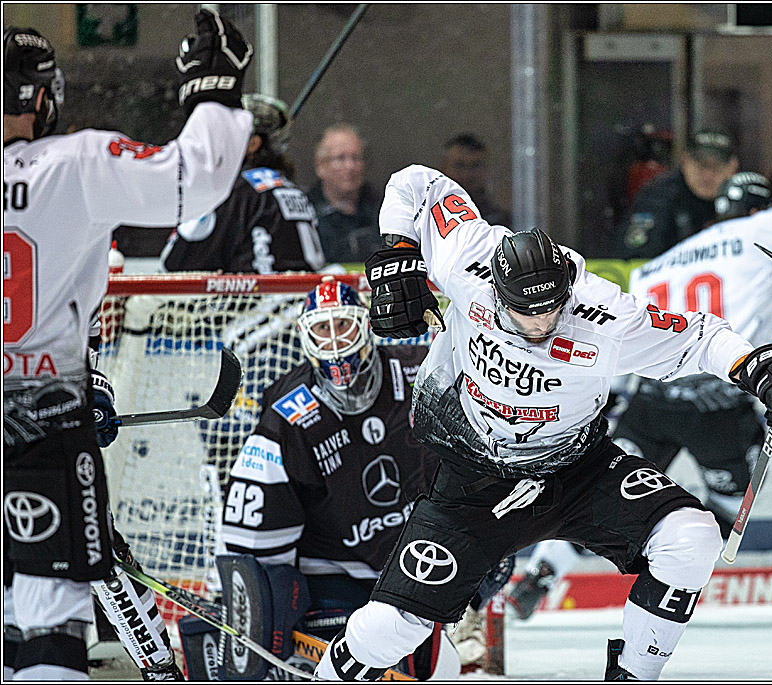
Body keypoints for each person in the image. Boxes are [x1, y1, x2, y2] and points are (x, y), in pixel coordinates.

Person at [311, 164, 772, 682]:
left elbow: (699, 338)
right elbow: (415, 182)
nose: (539, 326)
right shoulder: (469, 256)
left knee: (691, 538)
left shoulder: (603, 314)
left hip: (577, 470)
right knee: (389, 628)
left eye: (550, 311)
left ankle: (633, 675)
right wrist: (397, 250)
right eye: (524, 314)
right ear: (495, 289)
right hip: (472, 478)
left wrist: (761, 370)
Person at [507, 134, 772, 621]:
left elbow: (625, 337)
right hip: (719, 404)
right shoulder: (764, 232)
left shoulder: (660, 263)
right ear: (764, 209)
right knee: (726, 508)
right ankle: (675, 573)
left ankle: (541, 574)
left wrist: (613, 399)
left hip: (653, 400)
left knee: (602, 498)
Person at [2, 13, 253, 680]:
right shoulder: (72, 162)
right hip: (40, 417)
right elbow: (193, 177)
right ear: (40, 97)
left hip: (42, 406)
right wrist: (214, 89)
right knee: (50, 617)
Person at [217, 277, 510, 678]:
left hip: (416, 567)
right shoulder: (287, 411)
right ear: (305, 338)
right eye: (322, 329)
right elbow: (255, 538)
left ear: (365, 326)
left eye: (344, 326)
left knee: (440, 668)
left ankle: (458, 619)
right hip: (333, 575)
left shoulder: (419, 369)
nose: (334, 341)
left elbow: (479, 440)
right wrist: (266, 617)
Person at [160, 93, 326, 273]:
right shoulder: (289, 187)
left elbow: (175, 264)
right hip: (302, 298)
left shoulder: (233, 190)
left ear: (253, 143)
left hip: (257, 299)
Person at [613, 128, 740, 259]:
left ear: (732, 167)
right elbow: (634, 258)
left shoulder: (745, 199)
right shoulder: (658, 197)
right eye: (700, 164)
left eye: (716, 166)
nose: (707, 174)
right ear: (685, 160)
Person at [308, 124, 381, 265]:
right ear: (320, 166)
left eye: (356, 158)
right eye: (340, 158)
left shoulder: (381, 210)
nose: (350, 166)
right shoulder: (307, 212)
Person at [439, 133, 512, 227]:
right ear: (443, 168)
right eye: (459, 165)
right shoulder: (429, 218)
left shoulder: (501, 222)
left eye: (475, 166)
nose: (467, 174)